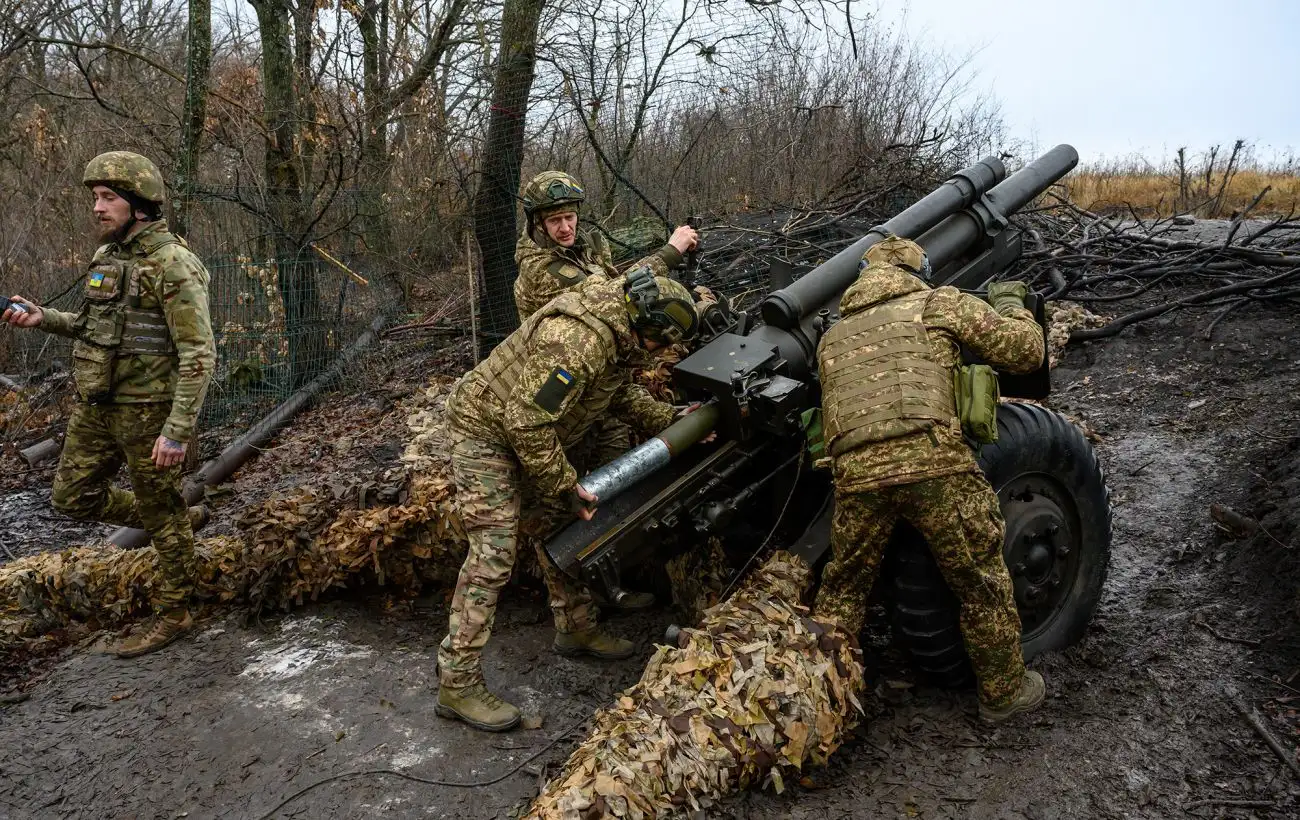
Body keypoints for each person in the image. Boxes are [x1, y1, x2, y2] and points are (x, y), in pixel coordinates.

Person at [436, 270, 703, 732]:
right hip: (485, 431)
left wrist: (673, 418)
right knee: (494, 553)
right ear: (645, 329)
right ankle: (456, 683)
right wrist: (564, 484)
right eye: (662, 345)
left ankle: (575, 626)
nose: (660, 356)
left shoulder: (617, 330)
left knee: (562, 529)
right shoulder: (578, 342)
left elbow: (616, 393)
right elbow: (525, 421)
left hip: (525, 431)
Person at [811, 236, 1047, 723]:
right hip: (933, 466)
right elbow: (1026, 354)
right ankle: (1004, 694)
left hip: (856, 477)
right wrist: (1012, 305)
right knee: (980, 578)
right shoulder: (937, 302)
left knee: (844, 592)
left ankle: (815, 710)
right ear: (918, 272)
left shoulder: (833, 335)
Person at [2, 151, 215, 658]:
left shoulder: (173, 264)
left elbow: (199, 353)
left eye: (108, 198)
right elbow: (94, 326)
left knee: (162, 518)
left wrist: (177, 430)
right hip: (97, 406)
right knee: (71, 498)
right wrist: (44, 318)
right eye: (95, 198)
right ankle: (176, 519)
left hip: (150, 414)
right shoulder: (108, 259)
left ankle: (176, 612)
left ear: (139, 205)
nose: (97, 208)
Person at [513, 170, 699, 323]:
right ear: (538, 223)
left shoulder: (584, 244)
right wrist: (669, 253)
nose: (565, 228)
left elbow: (614, 283)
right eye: (554, 220)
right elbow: (607, 298)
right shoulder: (539, 267)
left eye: (569, 217)